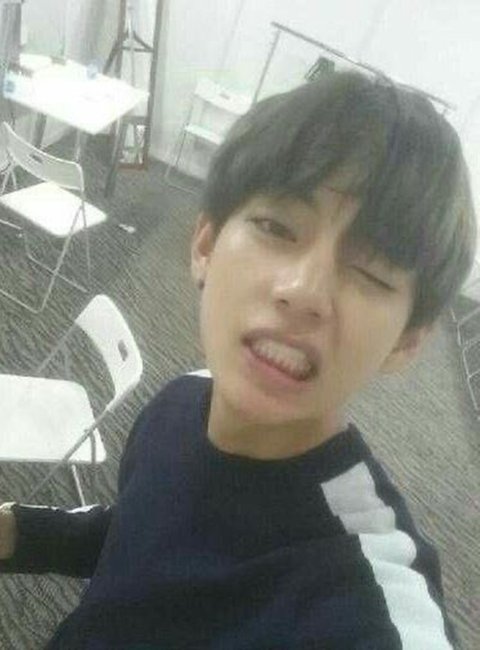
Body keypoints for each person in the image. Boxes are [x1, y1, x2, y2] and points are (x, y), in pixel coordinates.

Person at [0, 71, 475, 649]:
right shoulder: (185, 397)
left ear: (407, 341)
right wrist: (17, 530)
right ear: (205, 246)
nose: (303, 290)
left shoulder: (365, 596)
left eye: (371, 272)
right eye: (277, 227)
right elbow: (141, 534)